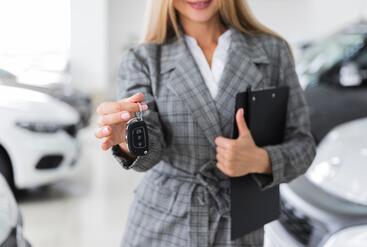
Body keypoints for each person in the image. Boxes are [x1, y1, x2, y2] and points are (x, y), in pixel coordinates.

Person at [95, 0, 316, 246]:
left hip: (240, 227)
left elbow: (303, 145)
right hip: (162, 224)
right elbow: (150, 151)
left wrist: (260, 160)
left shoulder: (273, 51)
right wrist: (128, 139)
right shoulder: (142, 59)